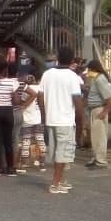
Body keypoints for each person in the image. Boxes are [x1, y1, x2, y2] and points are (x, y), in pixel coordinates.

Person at [39, 46, 85, 195]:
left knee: (58, 152)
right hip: (65, 120)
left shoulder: (47, 74)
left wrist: (44, 114)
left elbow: (40, 96)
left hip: (51, 118)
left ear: (58, 57)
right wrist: (81, 119)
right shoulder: (72, 76)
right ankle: (55, 183)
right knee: (62, 153)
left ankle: (61, 180)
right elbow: (77, 100)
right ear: (72, 60)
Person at [85, 59, 111, 170]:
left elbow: (109, 97)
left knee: (100, 137)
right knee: (95, 137)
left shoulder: (100, 79)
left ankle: (101, 161)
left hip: (99, 109)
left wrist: (105, 111)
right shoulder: (95, 79)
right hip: (93, 109)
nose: (88, 71)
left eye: (89, 69)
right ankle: (96, 158)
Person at [15, 71, 46, 174]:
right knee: (40, 140)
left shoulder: (25, 90)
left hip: (26, 118)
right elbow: (42, 105)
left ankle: (24, 163)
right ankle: (42, 164)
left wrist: (22, 106)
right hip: (38, 118)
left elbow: (20, 102)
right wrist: (43, 117)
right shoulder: (41, 89)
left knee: (26, 141)